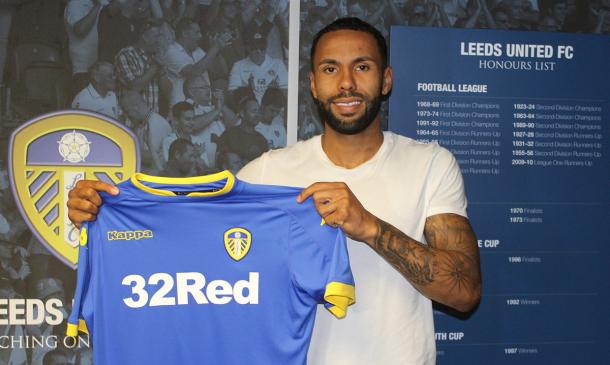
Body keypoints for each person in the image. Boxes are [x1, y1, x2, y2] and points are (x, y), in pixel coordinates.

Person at [66, 17, 481, 364]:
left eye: (363, 67)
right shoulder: (268, 173)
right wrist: (106, 209)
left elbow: (463, 292)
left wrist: (368, 226)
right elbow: (188, 233)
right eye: (331, 69)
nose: (347, 83)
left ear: (386, 79)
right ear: (313, 85)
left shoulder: (429, 163)